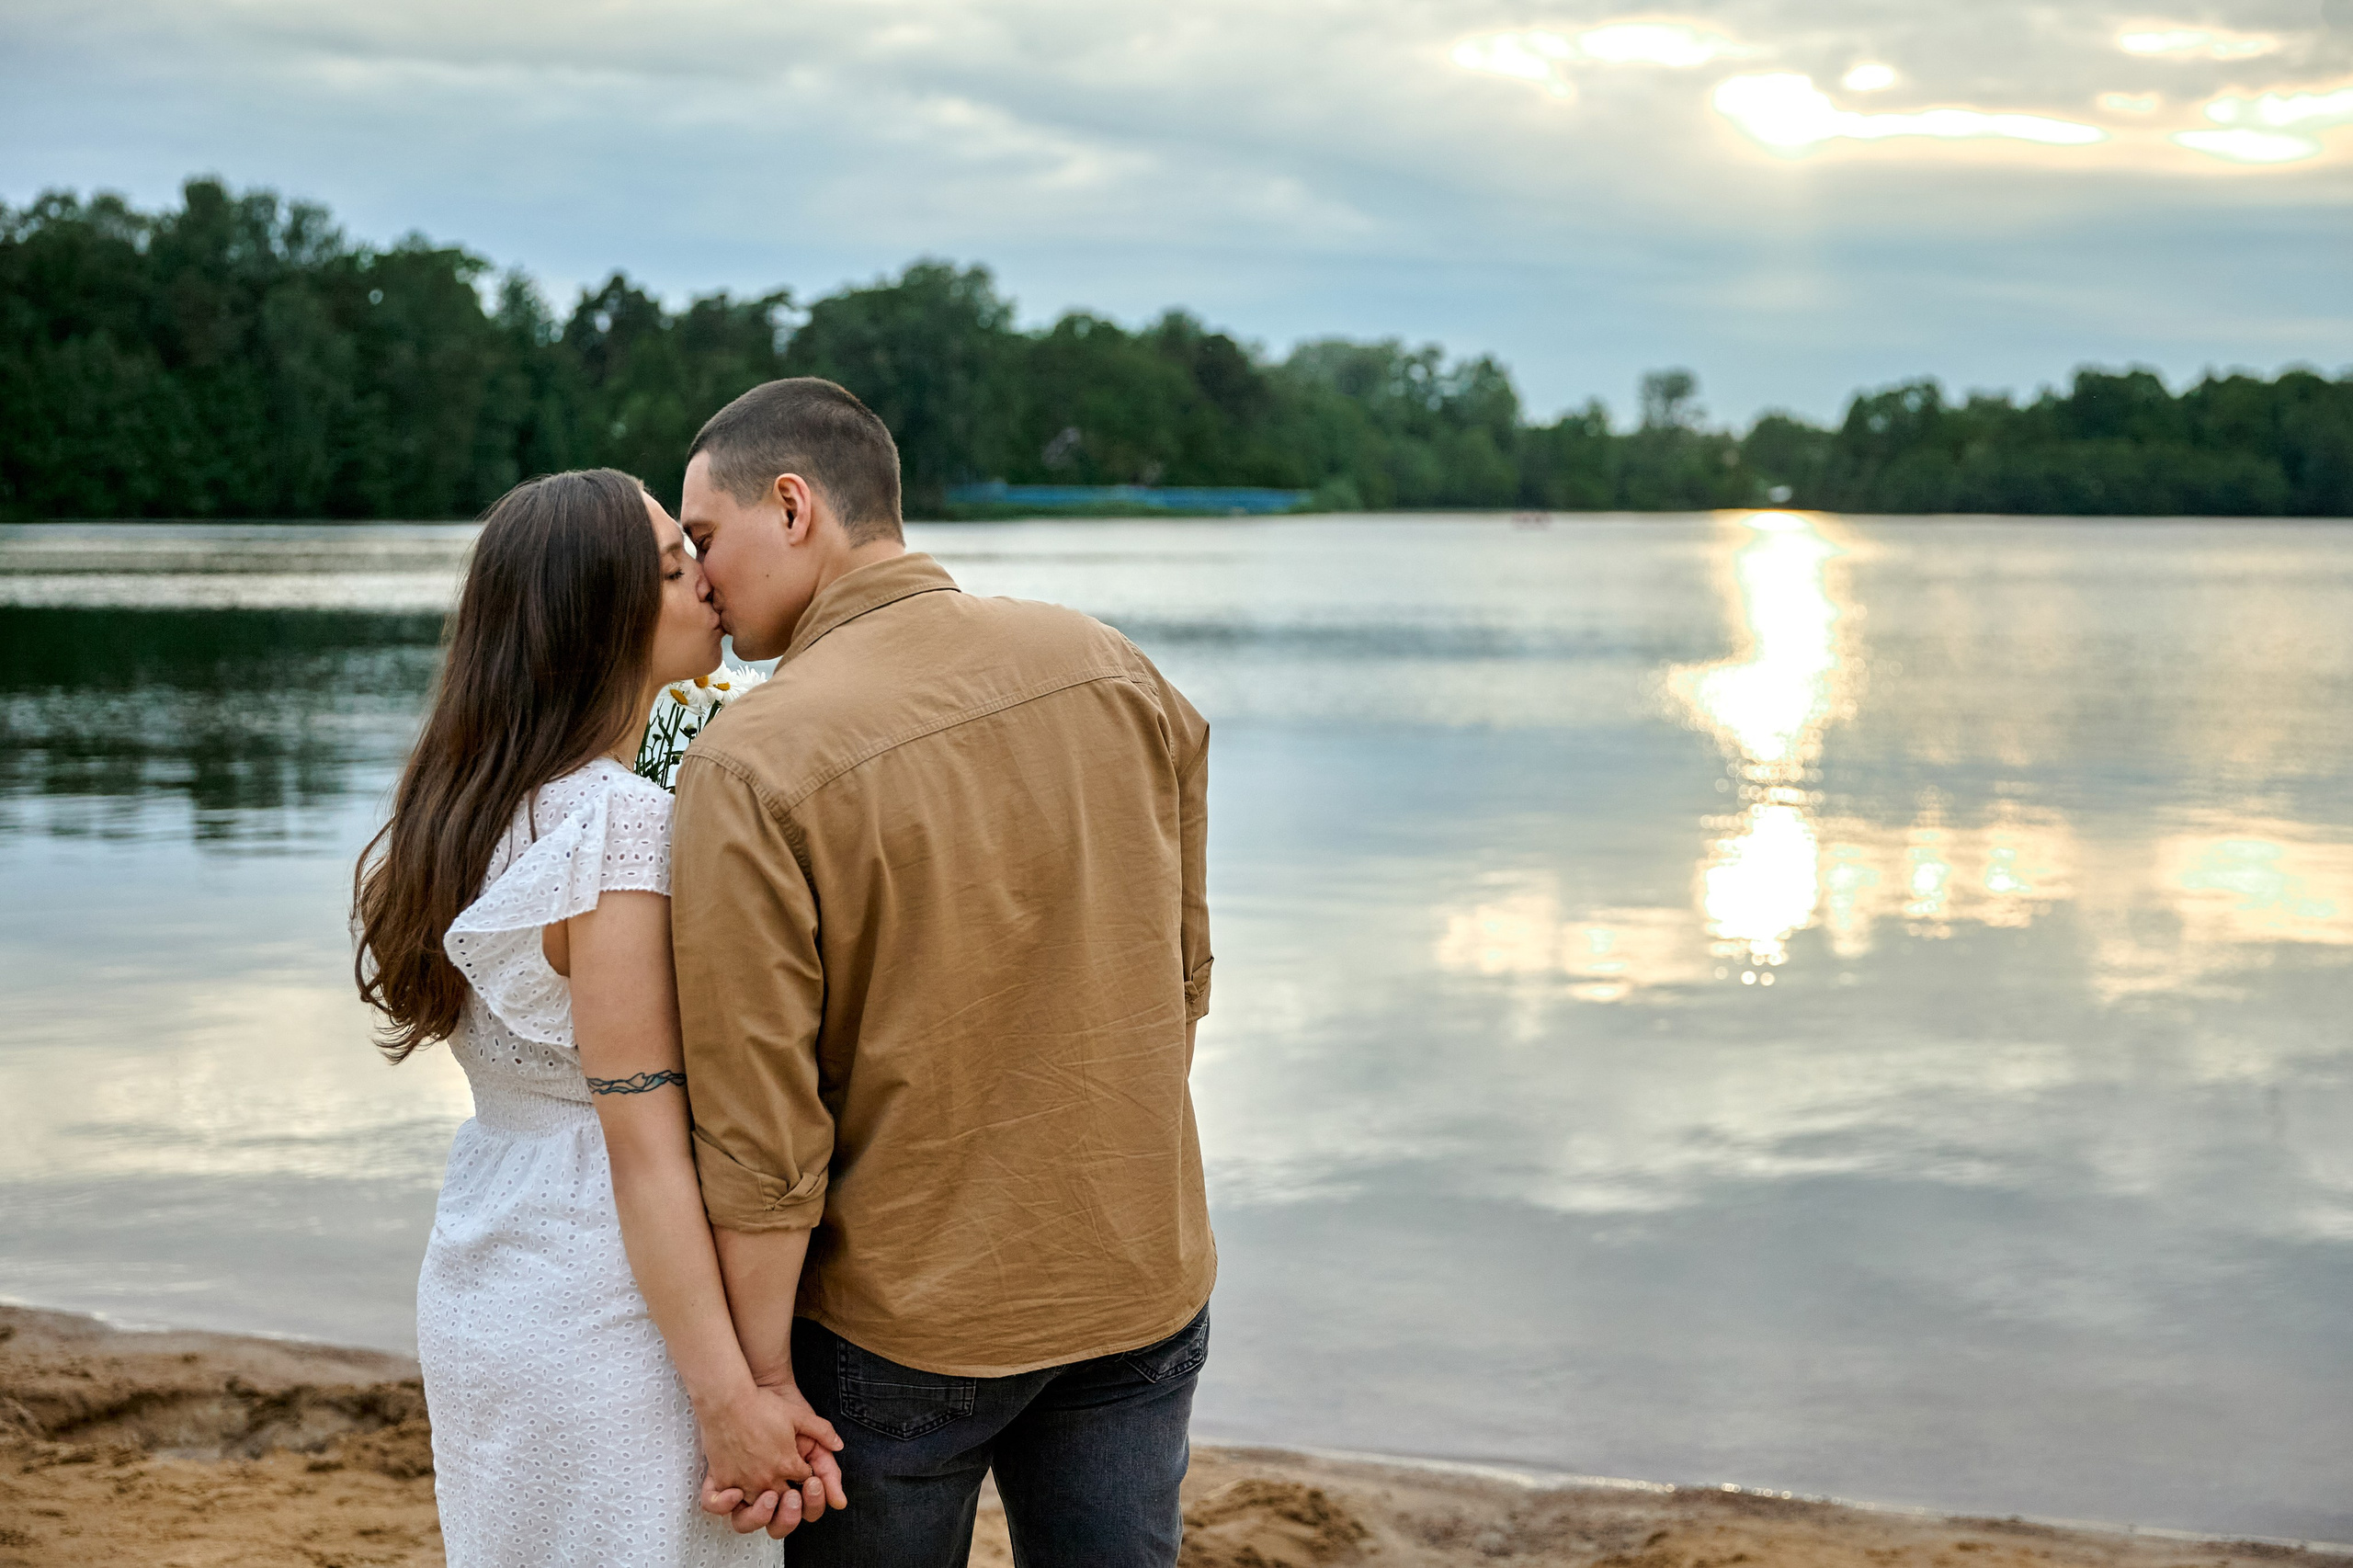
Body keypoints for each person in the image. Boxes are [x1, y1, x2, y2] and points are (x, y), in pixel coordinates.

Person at [669, 379, 1217, 1567]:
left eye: (705, 538)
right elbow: (1179, 975)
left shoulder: (754, 757)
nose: (700, 578)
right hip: (1138, 1275)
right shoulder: (1112, 665)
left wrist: (758, 1384)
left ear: (794, 505)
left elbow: (764, 1137)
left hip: (906, 1324)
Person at [352, 468, 845, 1565]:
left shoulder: (465, 804)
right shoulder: (615, 830)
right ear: (603, 615)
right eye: (676, 568)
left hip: (490, 1252)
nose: (710, 583)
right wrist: (731, 1395)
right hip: (610, 1300)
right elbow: (644, 1150)